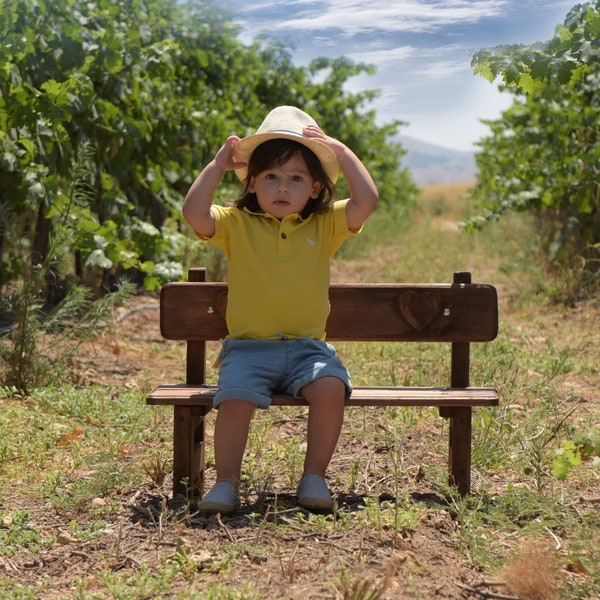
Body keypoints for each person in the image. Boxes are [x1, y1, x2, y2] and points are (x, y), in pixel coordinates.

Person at [182, 106, 378, 514]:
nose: (282, 187)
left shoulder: (325, 225)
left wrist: (340, 152)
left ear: (316, 190)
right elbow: (194, 213)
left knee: (330, 389)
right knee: (234, 398)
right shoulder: (237, 222)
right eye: (271, 176)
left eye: (296, 178)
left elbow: (367, 199)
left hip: (308, 350)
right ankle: (226, 483)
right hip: (248, 349)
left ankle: (314, 476)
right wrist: (218, 165)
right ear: (252, 183)